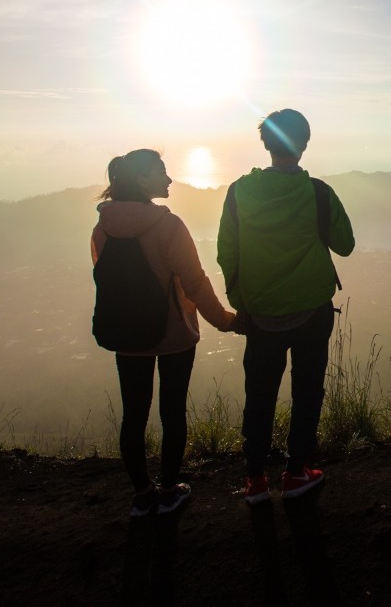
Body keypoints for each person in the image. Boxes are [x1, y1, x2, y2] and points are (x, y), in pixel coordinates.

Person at [217, 109, 355, 504]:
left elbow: (228, 252)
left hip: (260, 314)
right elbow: (344, 244)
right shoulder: (318, 193)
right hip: (312, 310)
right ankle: (296, 473)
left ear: (266, 143)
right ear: (304, 143)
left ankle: (256, 479)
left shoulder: (238, 192)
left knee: (259, 393)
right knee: (308, 390)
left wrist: (241, 302)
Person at [92, 149, 235, 517]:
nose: (169, 179)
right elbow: (195, 283)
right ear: (142, 181)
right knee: (172, 413)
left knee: (133, 416)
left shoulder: (102, 228)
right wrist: (226, 320)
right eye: (162, 172)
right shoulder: (169, 226)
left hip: (126, 335)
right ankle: (170, 491)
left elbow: (104, 276)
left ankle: (141, 495)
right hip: (173, 336)